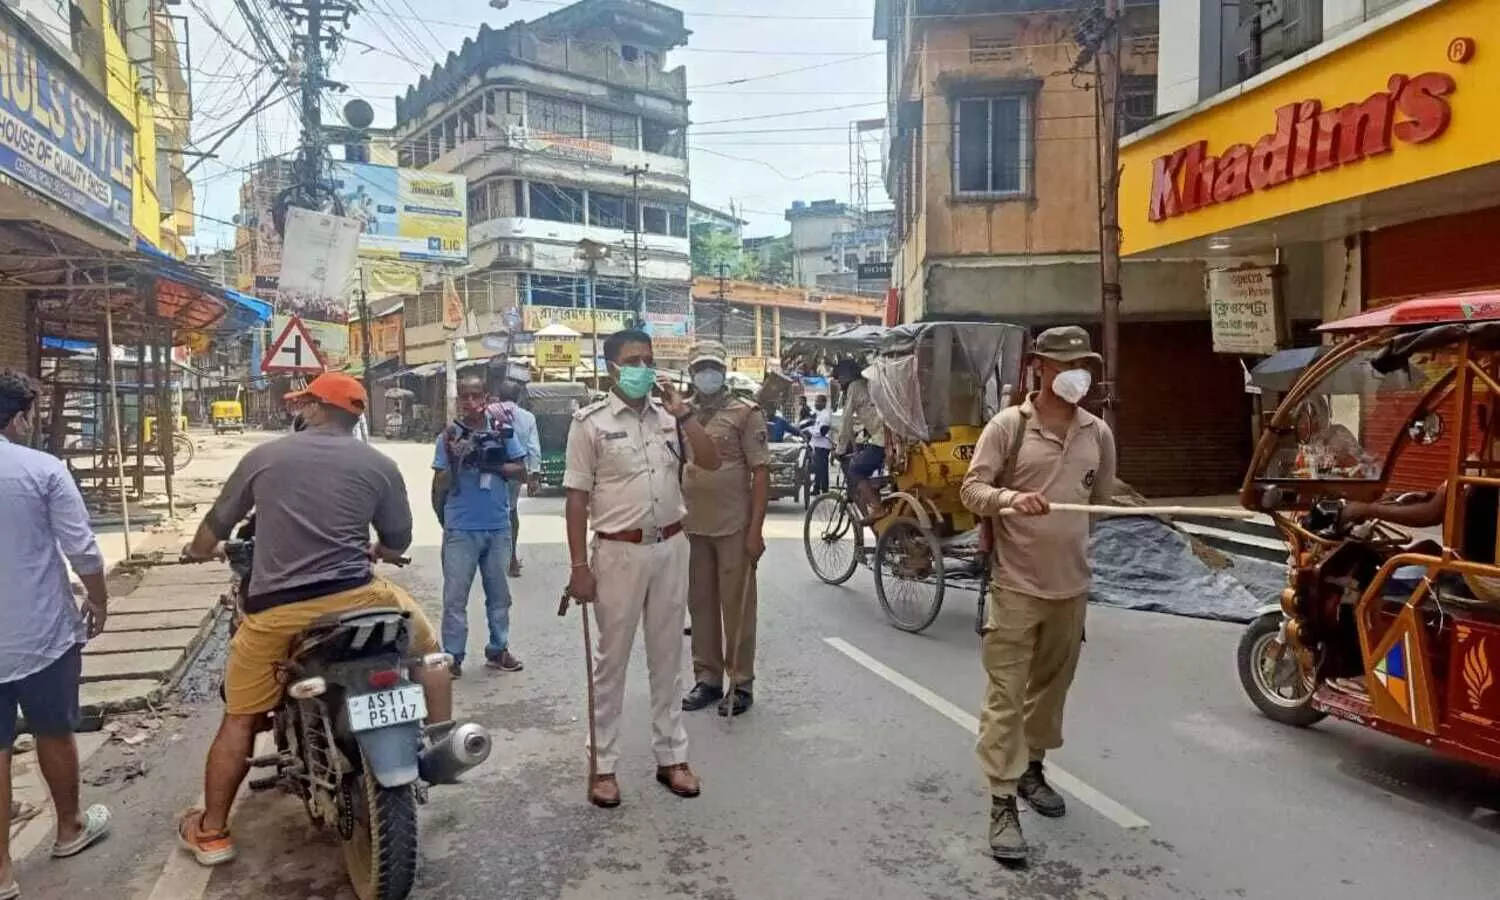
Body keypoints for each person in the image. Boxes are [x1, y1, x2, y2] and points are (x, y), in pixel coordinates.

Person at [175, 372, 450, 866]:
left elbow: (215, 525)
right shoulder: (380, 464)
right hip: (360, 597)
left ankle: (213, 830)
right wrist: (379, 549)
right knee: (430, 652)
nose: (299, 411)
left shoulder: (264, 457)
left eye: (305, 404)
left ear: (319, 409)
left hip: (278, 613)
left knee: (240, 716)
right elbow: (398, 540)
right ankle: (440, 741)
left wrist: (197, 552)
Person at [958, 326, 1117, 864]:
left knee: (1050, 691)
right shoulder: (1009, 427)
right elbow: (972, 489)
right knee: (1006, 696)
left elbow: (1100, 502)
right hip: (1017, 586)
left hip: (1071, 587)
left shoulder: (1098, 433)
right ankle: (1002, 802)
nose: (1079, 374)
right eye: (1067, 364)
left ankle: (1032, 770)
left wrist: (1075, 554)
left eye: (1085, 365)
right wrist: (1009, 499)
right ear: (1040, 368)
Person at [563, 329, 721, 808]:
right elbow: (576, 498)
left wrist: (685, 414)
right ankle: (603, 765)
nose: (643, 368)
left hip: (671, 547)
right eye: (633, 359)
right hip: (617, 553)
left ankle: (672, 756)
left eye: (648, 359)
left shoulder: (671, 419)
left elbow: (710, 461)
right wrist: (578, 566)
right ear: (612, 366)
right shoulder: (589, 423)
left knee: (668, 658)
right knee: (611, 662)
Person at [0, 373, 113, 893]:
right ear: (19, 418)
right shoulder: (41, 469)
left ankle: (1, 872)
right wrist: (99, 598)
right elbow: (83, 549)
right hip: (40, 632)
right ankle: (68, 829)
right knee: (52, 729)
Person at [679, 341, 770, 717]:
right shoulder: (680, 415)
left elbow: (760, 472)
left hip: (734, 525)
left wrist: (756, 530)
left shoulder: (745, 413)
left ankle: (741, 682)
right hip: (691, 525)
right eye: (700, 367)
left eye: (713, 366)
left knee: (737, 607)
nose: (707, 374)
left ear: (723, 369)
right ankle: (708, 678)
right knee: (699, 606)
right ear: (691, 373)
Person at [432, 375, 528, 677]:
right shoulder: (448, 436)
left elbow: (522, 471)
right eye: (465, 397)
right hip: (461, 528)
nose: (471, 403)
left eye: (476, 396)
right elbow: (439, 486)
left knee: (499, 595)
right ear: (458, 400)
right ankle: (453, 657)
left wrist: (493, 466)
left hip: (497, 526)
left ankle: (498, 649)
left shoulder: (501, 430)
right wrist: (457, 459)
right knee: (455, 598)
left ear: (486, 398)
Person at [492, 379, 542, 578]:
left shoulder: (489, 413)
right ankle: (511, 559)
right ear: (519, 397)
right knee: (511, 512)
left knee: (493, 514)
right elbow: (533, 449)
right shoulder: (527, 417)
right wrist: (534, 475)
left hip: (491, 471)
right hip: (515, 472)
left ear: (499, 395)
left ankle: (493, 560)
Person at [833, 360, 885, 520]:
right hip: (889, 437)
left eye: (839, 378)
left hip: (883, 440)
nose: (839, 382)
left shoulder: (854, 387)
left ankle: (877, 507)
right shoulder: (871, 383)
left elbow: (846, 420)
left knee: (855, 470)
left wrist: (840, 449)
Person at [803, 394, 834, 495]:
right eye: (815, 401)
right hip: (820, 444)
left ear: (823, 403)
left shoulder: (825, 415)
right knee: (820, 468)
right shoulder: (822, 414)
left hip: (823, 445)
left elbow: (822, 432)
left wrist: (810, 431)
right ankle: (818, 488)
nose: (815, 403)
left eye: (817, 401)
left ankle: (823, 490)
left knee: (821, 468)